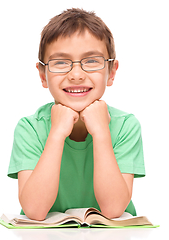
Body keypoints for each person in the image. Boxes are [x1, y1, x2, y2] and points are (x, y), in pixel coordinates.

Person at [8, 8, 145, 221]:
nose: (76, 75)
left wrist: (101, 133)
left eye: (91, 61)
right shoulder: (30, 128)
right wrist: (56, 134)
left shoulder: (126, 125)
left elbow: (113, 209)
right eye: (61, 63)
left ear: (112, 72)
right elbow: (34, 211)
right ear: (43, 75)